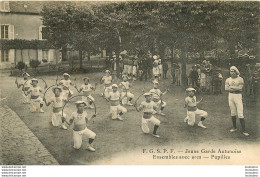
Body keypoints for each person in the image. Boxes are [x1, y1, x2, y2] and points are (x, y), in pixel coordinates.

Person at [225, 66, 249, 136]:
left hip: (238, 96)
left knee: (240, 113)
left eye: (233, 71)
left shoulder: (240, 79)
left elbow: (240, 88)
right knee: (233, 112)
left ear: (236, 72)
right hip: (231, 96)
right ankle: (234, 127)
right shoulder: (228, 79)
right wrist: (234, 88)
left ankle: (244, 130)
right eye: (231, 71)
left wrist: (231, 87)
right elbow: (226, 89)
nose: (232, 73)